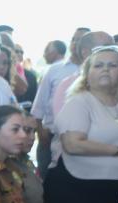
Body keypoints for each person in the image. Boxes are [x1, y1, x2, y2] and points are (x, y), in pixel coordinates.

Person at [44, 45, 118, 203]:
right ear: (87, 73)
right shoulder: (79, 102)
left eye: (112, 65)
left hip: (113, 191)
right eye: (99, 65)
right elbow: (73, 144)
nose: (106, 70)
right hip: (76, 191)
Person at [32, 28, 89, 176]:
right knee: (47, 181)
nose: (76, 43)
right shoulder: (54, 70)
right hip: (50, 136)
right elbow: (39, 104)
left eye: (81, 40)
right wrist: (40, 130)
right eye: (74, 39)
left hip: (84, 141)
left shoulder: (94, 72)